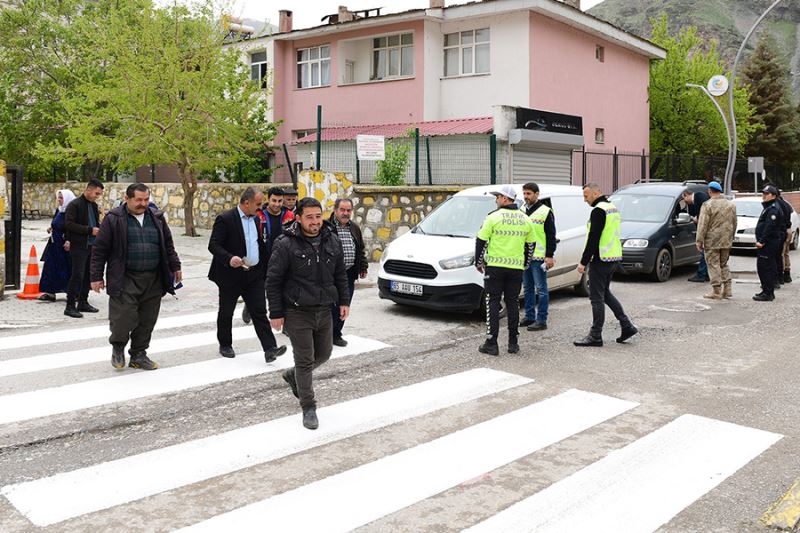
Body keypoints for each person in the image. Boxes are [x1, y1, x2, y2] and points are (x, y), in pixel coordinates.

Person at [267, 197, 349, 430]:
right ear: (298, 218)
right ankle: (309, 407)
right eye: (309, 217)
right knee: (304, 360)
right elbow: (273, 281)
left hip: (324, 309)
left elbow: (340, 274)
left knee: (323, 354)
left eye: (318, 216)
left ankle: (293, 375)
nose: (315, 222)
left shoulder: (331, 239)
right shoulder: (285, 244)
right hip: (296, 311)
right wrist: (276, 312)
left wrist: (344, 301)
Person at [89, 183, 181, 370]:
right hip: (125, 277)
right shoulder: (113, 219)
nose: (143, 203)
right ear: (127, 199)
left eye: (146, 199)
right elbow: (99, 250)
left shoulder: (156, 218)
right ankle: (118, 347)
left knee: (147, 319)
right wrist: (96, 277)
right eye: (138, 200)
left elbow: (168, 245)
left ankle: (139, 354)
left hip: (153, 278)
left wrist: (175, 266)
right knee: (123, 317)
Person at [208, 187, 287, 362]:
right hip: (230, 274)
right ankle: (225, 344)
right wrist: (229, 258)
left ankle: (270, 349)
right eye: (258, 204)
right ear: (246, 202)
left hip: (253, 275)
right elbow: (213, 245)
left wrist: (266, 268)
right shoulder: (226, 219)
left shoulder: (256, 220)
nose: (260, 208)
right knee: (226, 311)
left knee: (259, 311)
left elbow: (257, 243)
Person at [474, 184, 535, 356]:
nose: (496, 200)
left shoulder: (493, 217)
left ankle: (491, 343)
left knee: (492, 302)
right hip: (515, 268)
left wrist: (478, 262)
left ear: (505, 199)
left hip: (495, 267)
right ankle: (513, 344)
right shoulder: (525, 219)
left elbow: (481, 241)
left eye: (498, 197)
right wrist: (526, 263)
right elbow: (530, 245)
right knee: (513, 303)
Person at [574, 183, 637, 347]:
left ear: (596, 193)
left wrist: (583, 262)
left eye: (586, 196)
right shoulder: (612, 208)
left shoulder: (598, 210)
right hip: (613, 256)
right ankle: (627, 326)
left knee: (596, 298)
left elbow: (593, 239)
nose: (584, 200)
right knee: (605, 294)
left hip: (601, 259)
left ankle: (595, 335)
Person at [328, 198, 368, 347]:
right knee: (332, 305)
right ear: (335, 210)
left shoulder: (354, 228)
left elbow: (360, 249)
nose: (345, 213)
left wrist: (362, 267)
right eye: (342, 210)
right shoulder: (327, 227)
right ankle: (327, 335)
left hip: (349, 273)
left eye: (348, 210)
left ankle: (337, 334)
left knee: (345, 304)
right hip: (331, 274)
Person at [64, 179, 104, 318]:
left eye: (99, 194)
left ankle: (83, 302)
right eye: (96, 193)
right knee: (77, 275)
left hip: (92, 245)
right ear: (88, 189)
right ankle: (70, 306)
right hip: (79, 245)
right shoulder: (74, 204)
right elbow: (69, 224)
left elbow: (95, 222)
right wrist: (89, 230)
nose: (97, 196)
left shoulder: (93, 206)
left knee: (88, 275)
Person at [519, 182, 556, 331]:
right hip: (524, 256)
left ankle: (541, 320)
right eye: (524, 194)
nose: (526, 197)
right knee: (527, 288)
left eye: (529, 194)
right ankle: (529, 316)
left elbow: (551, 235)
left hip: (539, 257)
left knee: (541, 289)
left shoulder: (546, 211)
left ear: (537, 194)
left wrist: (549, 255)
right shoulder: (521, 210)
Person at [694, 181, 737, 300]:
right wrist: (731, 237)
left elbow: (702, 224)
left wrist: (699, 240)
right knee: (724, 264)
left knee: (713, 264)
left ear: (709, 191)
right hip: (726, 240)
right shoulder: (731, 205)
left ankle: (716, 291)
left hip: (712, 241)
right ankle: (728, 289)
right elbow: (734, 223)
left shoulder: (707, 205)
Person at [38, 189, 76, 302]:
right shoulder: (59, 210)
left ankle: (73, 292)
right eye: (58, 197)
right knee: (51, 267)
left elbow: (72, 227)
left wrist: (69, 240)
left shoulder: (72, 211)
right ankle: (50, 292)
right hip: (54, 244)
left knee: (67, 268)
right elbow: (56, 222)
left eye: (61, 198)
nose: (59, 200)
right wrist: (52, 228)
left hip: (65, 245)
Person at [753, 185, 785, 302]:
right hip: (768, 243)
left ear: (774, 196)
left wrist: (762, 241)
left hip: (768, 244)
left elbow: (770, 227)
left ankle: (768, 293)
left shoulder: (773, 209)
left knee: (765, 267)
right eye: (763, 193)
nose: (764, 196)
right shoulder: (769, 207)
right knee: (763, 267)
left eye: (767, 194)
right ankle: (766, 290)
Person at [682, 188, 710, 282]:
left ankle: (701, 274)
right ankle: (706, 274)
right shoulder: (693, 202)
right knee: (705, 253)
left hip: (707, 230)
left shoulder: (699, 197)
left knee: (704, 252)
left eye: (684, 199)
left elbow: (704, 213)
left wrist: (697, 219)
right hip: (704, 228)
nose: (684, 202)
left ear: (687, 195)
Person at [775, 189, 793, 284]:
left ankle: (780, 276)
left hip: (783, 230)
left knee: (780, 253)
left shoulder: (777, 204)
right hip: (789, 229)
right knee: (786, 253)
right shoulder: (786, 203)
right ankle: (787, 274)